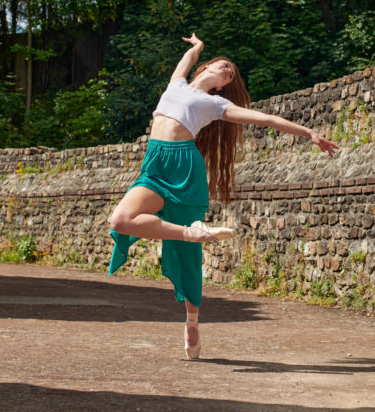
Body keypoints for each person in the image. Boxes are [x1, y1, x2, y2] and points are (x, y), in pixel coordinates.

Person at [108, 34, 338, 359]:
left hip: (183, 168)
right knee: (121, 220)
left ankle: (192, 322)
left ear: (220, 88)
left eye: (230, 74)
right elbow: (185, 63)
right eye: (224, 66)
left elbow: (266, 119)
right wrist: (197, 47)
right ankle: (193, 233)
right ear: (208, 67)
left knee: (185, 256)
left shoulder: (217, 104)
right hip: (154, 165)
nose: (228, 71)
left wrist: (309, 133)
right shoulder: (176, 85)